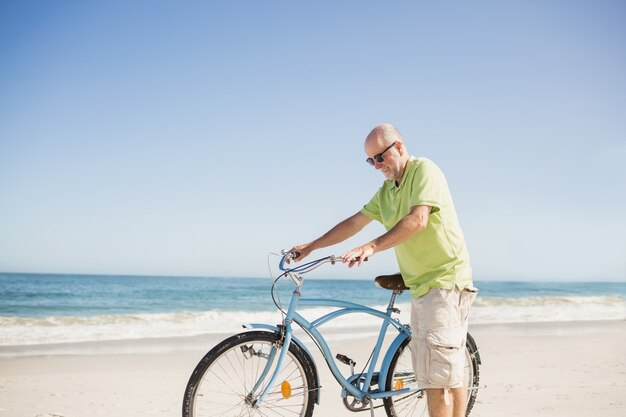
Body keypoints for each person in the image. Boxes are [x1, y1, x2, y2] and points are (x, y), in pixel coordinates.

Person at [288, 123, 477, 417]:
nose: (376, 166)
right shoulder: (388, 191)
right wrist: (313, 245)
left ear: (399, 147)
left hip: (444, 282)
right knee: (444, 374)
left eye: (380, 157)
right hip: (421, 285)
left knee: (438, 381)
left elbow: (418, 220)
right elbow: (354, 222)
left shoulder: (424, 171)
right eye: (370, 161)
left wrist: (372, 247)